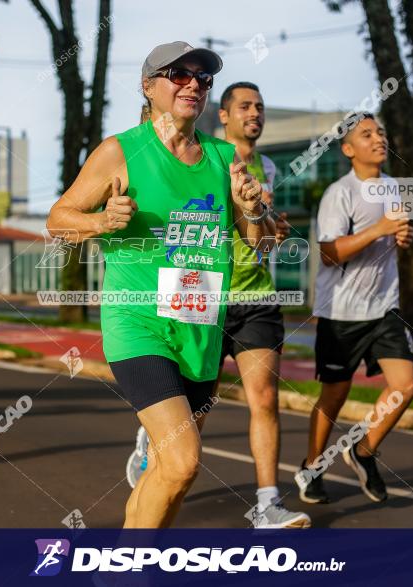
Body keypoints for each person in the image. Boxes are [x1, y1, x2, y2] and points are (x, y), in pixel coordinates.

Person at [46, 41, 271, 528]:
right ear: (149, 87)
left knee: (173, 473)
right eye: (179, 74)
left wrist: (252, 208)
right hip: (138, 321)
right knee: (184, 458)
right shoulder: (120, 151)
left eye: (203, 78)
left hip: (200, 328)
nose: (193, 83)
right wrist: (102, 222)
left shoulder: (225, 157)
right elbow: (58, 219)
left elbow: (258, 246)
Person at [125, 82, 310, 529]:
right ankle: (154, 464)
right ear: (223, 116)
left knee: (264, 399)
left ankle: (267, 504)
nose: (256, 114)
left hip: (257, 298)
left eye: (261, 107)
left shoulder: (265, 166)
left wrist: (268, 225)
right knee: (192, 430)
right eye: (245, 106)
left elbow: (260, 240)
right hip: (205, 295)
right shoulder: (207, 158)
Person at [295, 113, 413, 504]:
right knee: (335, 396)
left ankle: (363, 451)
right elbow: (330, 253)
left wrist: (402, 235)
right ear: (349, 149)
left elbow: (391, 232)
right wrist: (379, 230)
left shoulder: (394, 187)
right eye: (367, 134)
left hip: (385, 306)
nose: (378, 138)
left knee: (407, 384)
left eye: (381, 131)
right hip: (341, 312)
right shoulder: (340, 193)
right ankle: (311, 467)